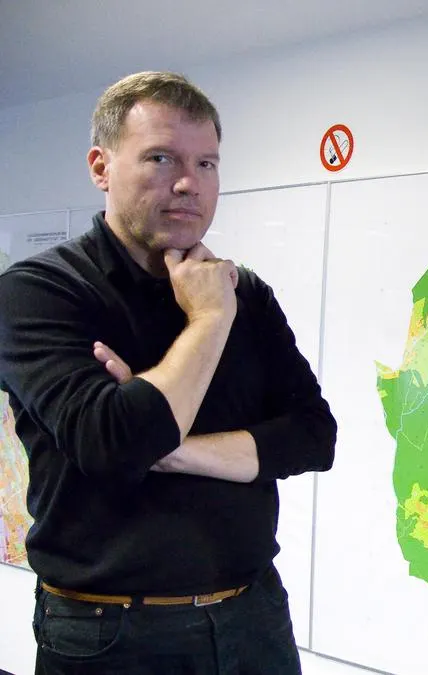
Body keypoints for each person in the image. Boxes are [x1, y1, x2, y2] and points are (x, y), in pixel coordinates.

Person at [0, 71, 336, 674]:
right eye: (161, 158)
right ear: (101, 167)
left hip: (254, 614)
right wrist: (207, 320)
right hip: (110, 631)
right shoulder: (38, 292)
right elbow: (116, 445)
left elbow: (314, 437)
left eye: (206, 163)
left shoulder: (246, 293)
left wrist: (170, 447)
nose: (189, 183)